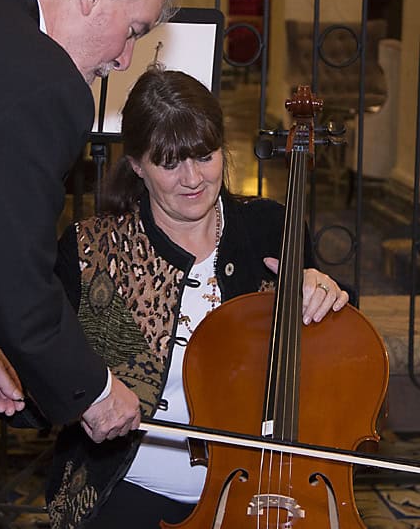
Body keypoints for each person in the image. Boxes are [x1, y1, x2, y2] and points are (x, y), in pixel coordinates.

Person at [46, 66, 349, 529]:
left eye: (205, 156)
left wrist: (325, 299)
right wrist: (83, 396)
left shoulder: (270, 228)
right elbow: (43, 372)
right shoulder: (91, 250)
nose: (192, 178)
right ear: (136, 166)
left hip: (263, 490)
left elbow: (333, 370)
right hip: (128, 487)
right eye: (169, 163)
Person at [0, 0, 177, 439]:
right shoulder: (44, 82)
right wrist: (96, 390)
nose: (124, 59)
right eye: (133, 30)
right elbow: (16, 276)